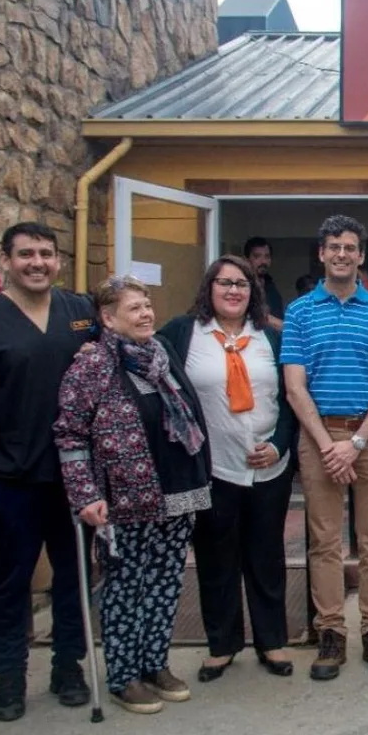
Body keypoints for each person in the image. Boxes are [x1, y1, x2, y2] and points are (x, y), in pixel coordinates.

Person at [0, 222, 96, 721]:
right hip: (10, 479)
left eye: (46, 254)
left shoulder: (78, 312)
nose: (38, 263)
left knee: (74, 578)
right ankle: (9, 675)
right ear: (6, 260)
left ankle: (68, 667)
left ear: (57, 260)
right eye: (26, 254)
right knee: (9, 583)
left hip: (73, 479)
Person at [54, 275, 213, 714]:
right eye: (134, 308)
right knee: (126, 586)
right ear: (107, 317)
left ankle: (155, 664)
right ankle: (124, 675)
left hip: (177, 492)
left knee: (165, 583)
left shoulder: (161, 354)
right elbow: (70, 435)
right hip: (123, 498)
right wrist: (84, 495)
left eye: (147, 305)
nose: (146, 314)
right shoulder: (93, 365)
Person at [157, 255, 299, 682]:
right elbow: (136, 350)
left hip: (268, 469)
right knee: (216, 558)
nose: (234, 291)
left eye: (242, 284)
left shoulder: (270, 338)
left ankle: (272, 641)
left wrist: (278, 445)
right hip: (212, 469)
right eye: (225, 283)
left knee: (266, 556)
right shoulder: (183, 334)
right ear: (209, 288)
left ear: (253, 291)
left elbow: (292, 398)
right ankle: (221, 645)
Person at [281, 215, 368, 681]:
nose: (341, 254)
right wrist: (328, 444)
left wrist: (353, 443)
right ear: (321, 253)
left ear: (361, 255)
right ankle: (330, 631)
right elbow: (295, 388)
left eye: (350, 247)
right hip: (318, 436)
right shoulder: (299, 312)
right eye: (334, 246)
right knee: (325, 541)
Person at [243, 237, 284, 329]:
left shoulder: (271, 287)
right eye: (257, 256)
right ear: (246, 260)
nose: (263, 261)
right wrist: (289, 329)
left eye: (267, 256)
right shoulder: (241, 287)